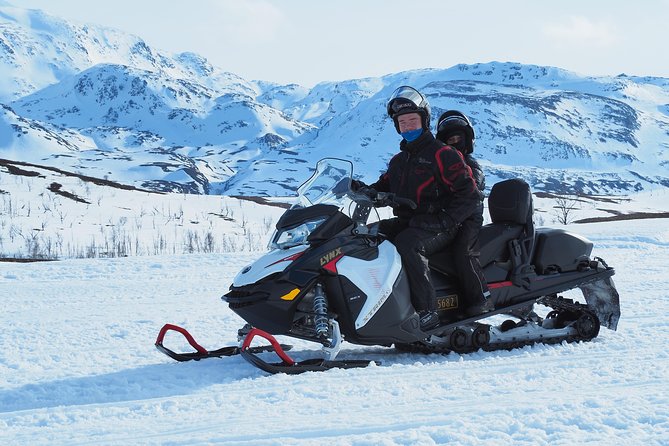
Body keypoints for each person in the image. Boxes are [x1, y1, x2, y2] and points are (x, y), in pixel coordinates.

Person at [356, 86, 493, 331]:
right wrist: (364, 190)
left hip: (442, 223)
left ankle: (428, 311)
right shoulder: (399, 161)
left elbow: (470, 195)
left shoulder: (443, 154)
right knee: (369, 234)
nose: (408, 126)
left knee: (409, 243)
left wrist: (446, 220)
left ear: (424, 121)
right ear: (397, 126)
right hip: (413, 220)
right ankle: (377, 304)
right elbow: (385, 186)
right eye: (402, 122)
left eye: (412, 120)